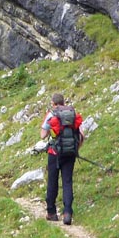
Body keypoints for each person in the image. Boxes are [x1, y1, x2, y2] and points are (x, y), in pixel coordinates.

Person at [40, 93, 84, 225]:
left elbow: (42, 135)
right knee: (67, 181)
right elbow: (82, 135)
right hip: (70, 153)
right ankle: (67, 213)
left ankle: (51, 212)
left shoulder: (51, 114)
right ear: (63, 102)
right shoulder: (72, 114)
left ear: (53, 103)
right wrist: (75, 149)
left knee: (52, 181)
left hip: (54, 153)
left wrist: (50, 131)